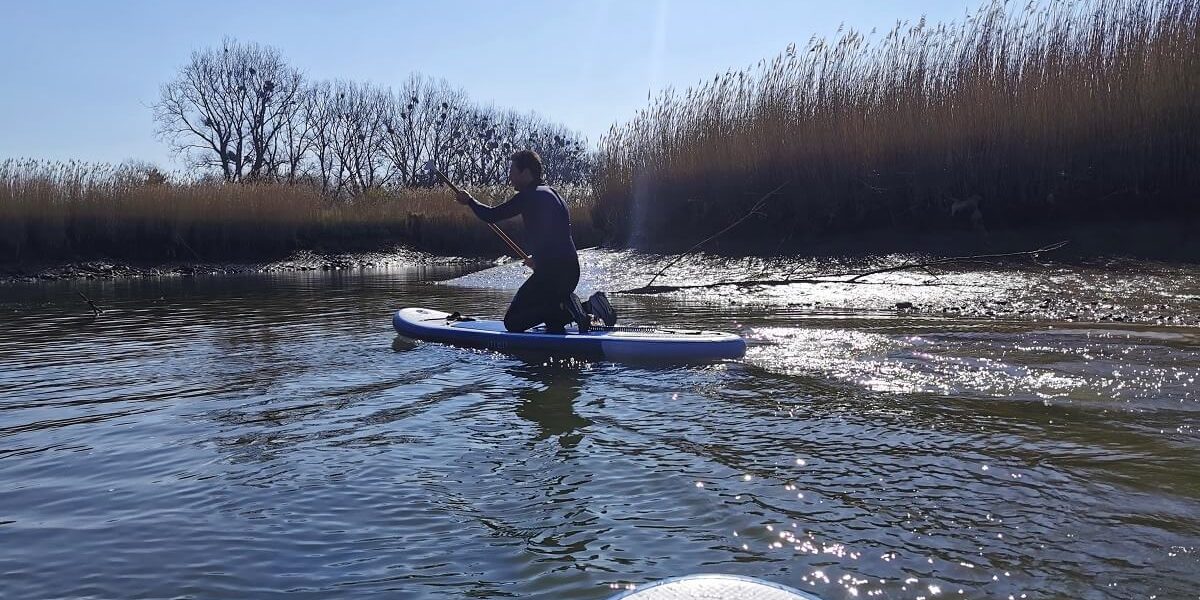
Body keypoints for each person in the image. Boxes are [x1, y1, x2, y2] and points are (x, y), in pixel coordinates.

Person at [455, 150, 614, 334]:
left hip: (552, 274)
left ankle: (581, 307)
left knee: (513, 322)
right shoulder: (553, 194)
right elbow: (553, 235)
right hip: (570, 271)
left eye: (513, 171)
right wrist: (538, 259)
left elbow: (491, 215)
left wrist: (470, 201)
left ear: (526, 172)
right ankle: (587, 308)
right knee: (552, 322)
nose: (510, 177)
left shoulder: (530, 195)